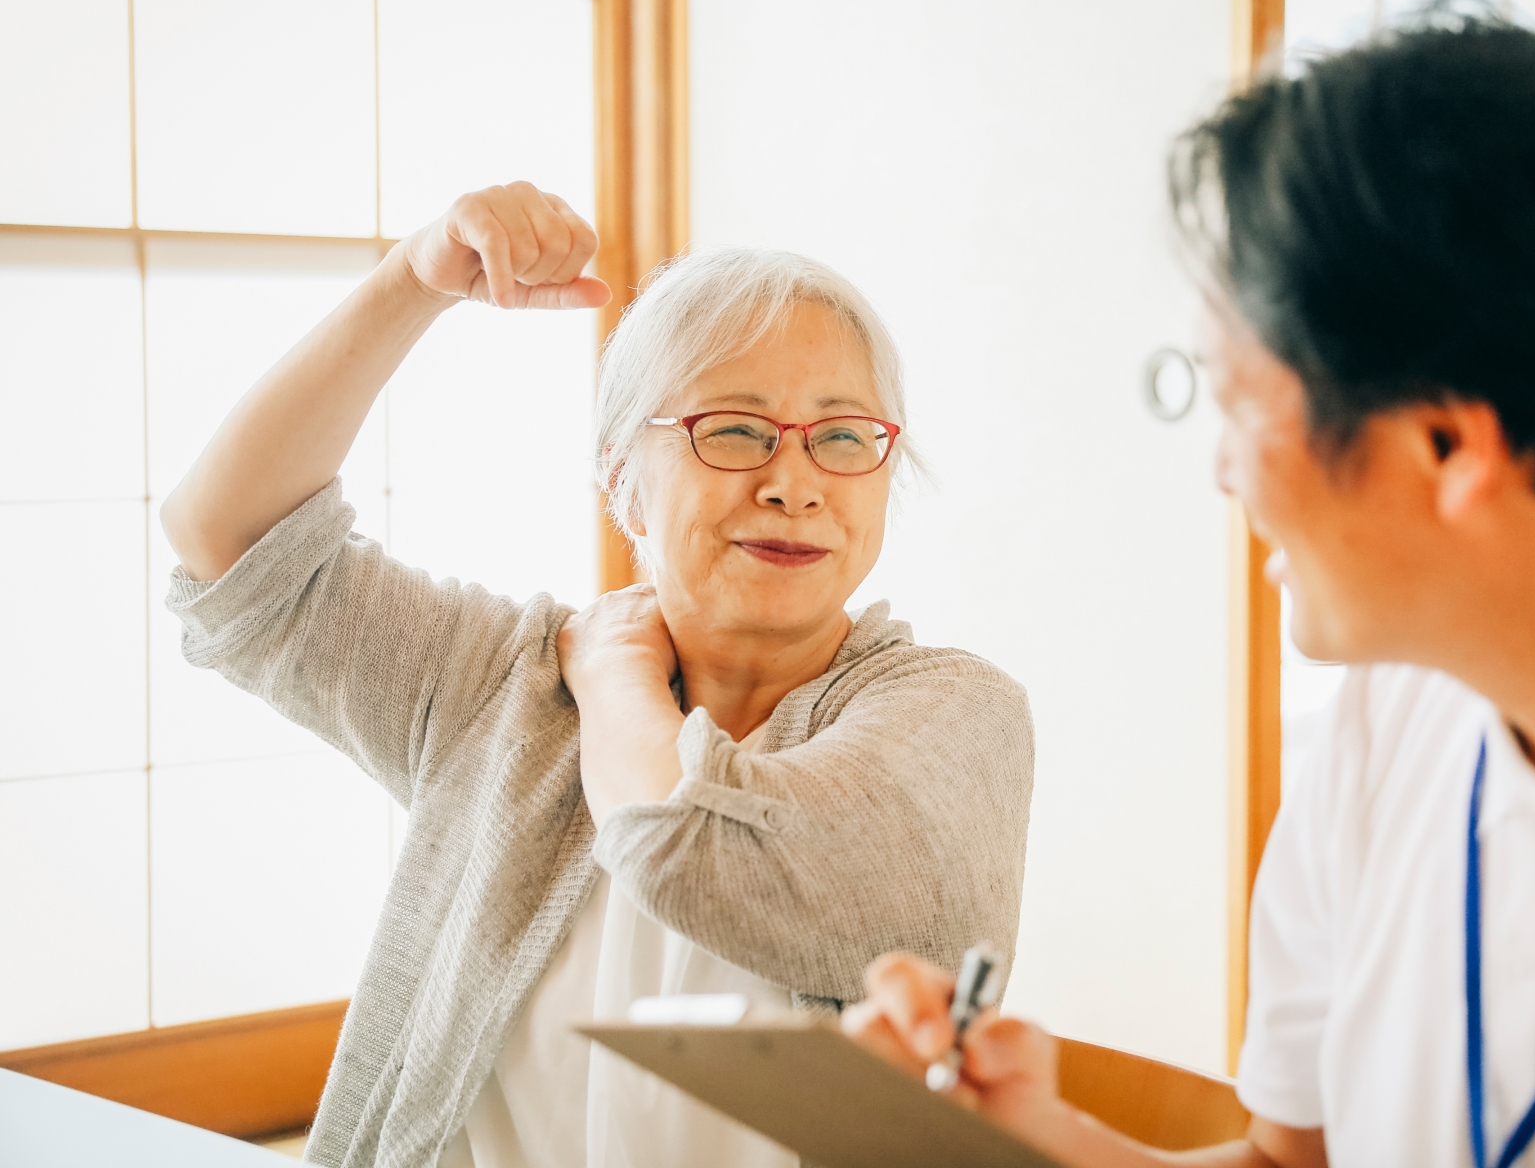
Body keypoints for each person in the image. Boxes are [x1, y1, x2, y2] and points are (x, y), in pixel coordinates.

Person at [845, 14, 1535, 1167]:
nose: (1221, 469)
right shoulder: (1395, 704)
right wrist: (1032, 1140)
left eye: (1238, 402)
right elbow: (1289, 1160)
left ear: (1449, 445)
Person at [158, 183, 1035, 1168]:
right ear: (622, 475)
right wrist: (413, 279)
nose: (795, 483)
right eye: (735, 428)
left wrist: (616, 674)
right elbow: (226, 543)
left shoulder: (961, 717)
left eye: (841, 437)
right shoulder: (505, 685)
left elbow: (689, 843)